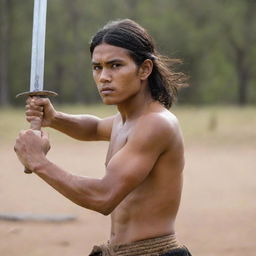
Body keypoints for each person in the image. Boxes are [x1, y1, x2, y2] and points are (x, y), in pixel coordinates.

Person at [14, 19, 191, 256]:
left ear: (145, 69)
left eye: (115, 65)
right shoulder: (126, 120)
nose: (104, 77)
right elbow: (94, 127)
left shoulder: (156, 124)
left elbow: (104, 197)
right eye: (97, 67)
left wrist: (38, 161)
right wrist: (54, 118)